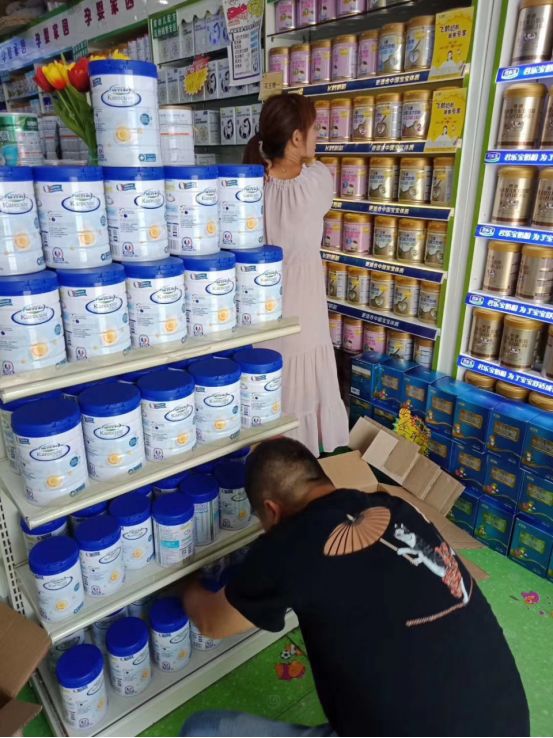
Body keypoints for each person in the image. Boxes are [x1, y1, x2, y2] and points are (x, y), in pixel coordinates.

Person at [181, 438, 529, 738]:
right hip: (508, 723)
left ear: (271, 510)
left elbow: (212, 622)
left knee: (202, 729)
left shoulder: (289, 544)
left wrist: (186, 584)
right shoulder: (397, 509)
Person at [242, 93, 349, 456]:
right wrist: (307, 157)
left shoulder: (251, 186)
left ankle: (266, 458)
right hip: (305, 310)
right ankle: (304, 457)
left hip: (260, 313)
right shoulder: (316, 180)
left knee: (268, 382)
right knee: (306, 381)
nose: (318, 134)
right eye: (313, 128)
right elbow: (316, 178)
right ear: (297, 138)